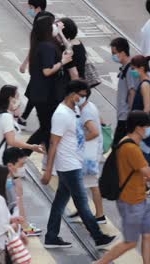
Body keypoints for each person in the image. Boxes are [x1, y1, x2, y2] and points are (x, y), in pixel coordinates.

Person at [41, 80, 116, 249]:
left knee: (60, 202)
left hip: (74, 161)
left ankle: (51, 236)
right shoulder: (60, 115)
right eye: (81, 95)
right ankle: (98, 237)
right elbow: (53, 144)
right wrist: (48, 171)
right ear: (71, 93)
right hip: (68, 165)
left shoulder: (73, 109)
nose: (83, 99)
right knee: (82, 203)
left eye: (85, 96)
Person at [95, 110, 150, 264]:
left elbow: (137, 173)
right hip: (130, 201)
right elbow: (149, 172)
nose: (148, 129)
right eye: (147, 126)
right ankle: (99, 263)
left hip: (140, 197)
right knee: (130, 242)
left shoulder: (129, 143)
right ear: (138, 128)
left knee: (148, 234)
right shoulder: (131, 148)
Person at [24, 15, 72, 156]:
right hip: (46, 95)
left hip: (43, 94)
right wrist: (62, 62)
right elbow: (47, 71)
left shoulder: (42, 44)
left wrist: (61, 33)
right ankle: (22, 154)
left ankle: (42, 155)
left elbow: (69, 47)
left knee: (48, 127)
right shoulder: (47, 47)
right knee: (48, 127)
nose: (55, 27)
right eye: (53, 25)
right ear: (47, 28)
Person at [68, 89, 107, 224]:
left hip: (88, 155)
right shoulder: (89, 106)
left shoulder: (86, 112)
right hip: (90, 152)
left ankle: (100, 215)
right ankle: (83, 210)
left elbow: (95, 132)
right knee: (82, 184)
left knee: (91, 184)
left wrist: (78, 140)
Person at [0, 85, 44, 165]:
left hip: (2, 159)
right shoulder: (5, 116)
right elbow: (11, 141)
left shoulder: (1, 113)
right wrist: (31, 147)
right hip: (1, 161)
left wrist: (16, 113)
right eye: (17, 97)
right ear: (11, 99)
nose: (19, 100)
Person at [110, 37, 138, 147]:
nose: (113, 56)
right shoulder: (125, 68)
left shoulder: (130, 69)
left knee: (117, 148)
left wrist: (131, 115)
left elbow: (132, 93)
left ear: (122, 52)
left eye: (114, 53)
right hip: (123, 116)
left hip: (126, 117)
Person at [130, 55, 150, 156]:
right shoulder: (148, 80)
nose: (131, 71)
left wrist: (139, 126)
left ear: (141, 68)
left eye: (133, 68)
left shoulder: (145, 85)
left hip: (143, 127)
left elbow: (147, 108)